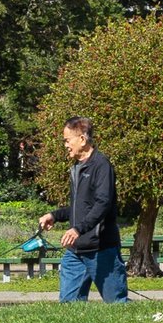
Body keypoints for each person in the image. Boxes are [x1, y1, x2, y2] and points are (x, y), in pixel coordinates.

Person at [40, 116, 125, 303]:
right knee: (69, 305)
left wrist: (78, 229)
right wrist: (55, 215)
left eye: (67, 140)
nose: (65, 145)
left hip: (101, 248)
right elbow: (82, 207)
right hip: (76, 250)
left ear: (82, 139)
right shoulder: (78, 167)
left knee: (117, 304)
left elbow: (103, 204)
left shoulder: (101, 165)